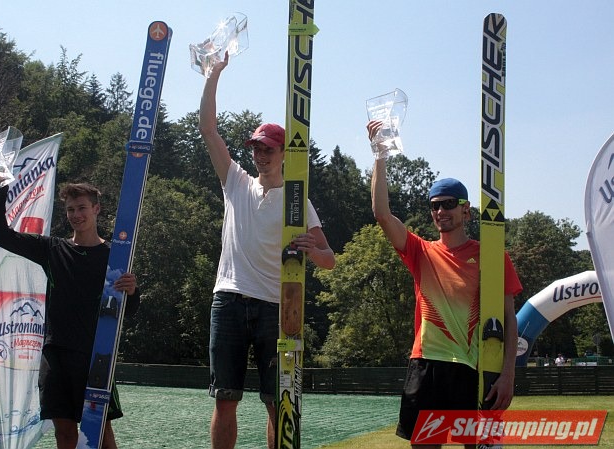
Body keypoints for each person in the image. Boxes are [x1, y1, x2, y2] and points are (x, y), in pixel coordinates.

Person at [198, 52, 336, 449]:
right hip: (228, 299)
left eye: (268, 150)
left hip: (276, 307)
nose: (260, 156)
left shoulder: (297, 200)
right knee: (225, 398)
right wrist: (214, 74)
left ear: (284, 154)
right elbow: (208, 129)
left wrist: (313, 250)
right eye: (256, 149)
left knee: (278, 402)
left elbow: (329, 260)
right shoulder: (236, 182)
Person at [367, 120, 523, 449]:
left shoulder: (492, 256)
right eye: (435, 205)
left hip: (471, 368)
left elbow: (509, 319)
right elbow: (382, 213)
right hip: (425, 364)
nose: (441, 211)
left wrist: (508, 373)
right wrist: (380, 154)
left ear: (466, 211)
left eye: (449, 203)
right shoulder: (420, 251)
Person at [0, 164, 140, 449]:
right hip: (55, 355)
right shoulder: (53, 249)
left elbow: (126, 312)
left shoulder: (114, 255)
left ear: (96, 209)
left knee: (100, 433)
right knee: (65, 434)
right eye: (70, 210)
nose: (76, 215)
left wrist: (132, 291)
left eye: (82, 208)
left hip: (95, 357)